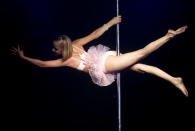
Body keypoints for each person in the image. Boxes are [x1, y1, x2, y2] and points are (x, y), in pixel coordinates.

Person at [11, 16, 188, 96]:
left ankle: (168, 36)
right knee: (141, 66)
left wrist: (110, 23)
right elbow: (42, 63)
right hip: (105, 62)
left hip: (106, 63)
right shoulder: (69, 55)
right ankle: (174, 80)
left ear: (61, 47)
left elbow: (95, 34)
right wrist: (25, 58)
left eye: (54, 50)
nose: (54, 52)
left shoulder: (71, 51)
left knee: (141, 53)